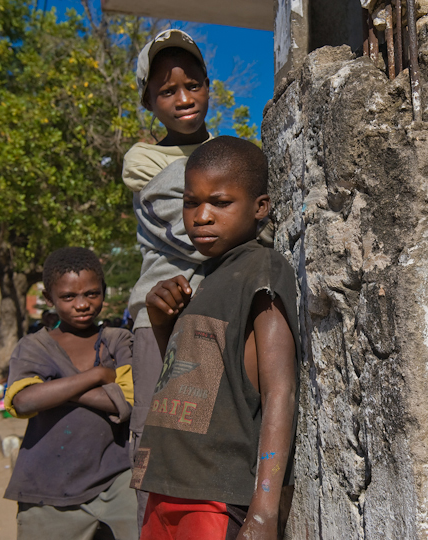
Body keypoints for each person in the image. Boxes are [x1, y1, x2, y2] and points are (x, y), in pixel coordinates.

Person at [131, 136, 300, 539]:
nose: (201, 216)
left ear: (260, 207)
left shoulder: (263, 269)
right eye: (191, 202)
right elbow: (188, 378)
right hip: (167, 487)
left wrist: (263, 512)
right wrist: (160, 320)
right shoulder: (205, 280)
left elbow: (281, 390)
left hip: (216, 496)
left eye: (220, 203)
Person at [122, 28, 213, 525]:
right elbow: (203, 233)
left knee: (211, 438)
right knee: (156, 439)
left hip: (218, 308)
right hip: (160, 317)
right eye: (166, 90)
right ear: (148, 101)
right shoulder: (145, 160)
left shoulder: (228, 149)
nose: (183, 99)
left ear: (207, 86)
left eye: (192, 84)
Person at [2, 247, 137, 540]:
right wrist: (98, 376)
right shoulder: (33, 347)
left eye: (92, 293)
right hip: (46, 487)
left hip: (117, 479)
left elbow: (127, 402)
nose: (82, 304)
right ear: (49, 299)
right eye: (68, 297)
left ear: (104, 291)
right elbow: (23, 401)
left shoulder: (118, 340)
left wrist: (54, 387)